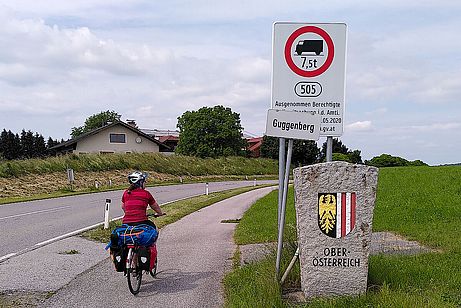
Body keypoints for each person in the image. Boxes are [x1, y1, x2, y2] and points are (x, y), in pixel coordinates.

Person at [122, 171, 165, 270]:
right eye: (144, 181)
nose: (145, 183)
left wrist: (129, 213)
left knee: (131, 239)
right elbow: (155, 206)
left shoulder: (126, 193)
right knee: (155, 230)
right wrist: (160, 213)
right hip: (141, 221)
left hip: (126, 223)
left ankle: (133, 262)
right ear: (140, 182)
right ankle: (148, 251)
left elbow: (123, 207)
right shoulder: (146, 194)